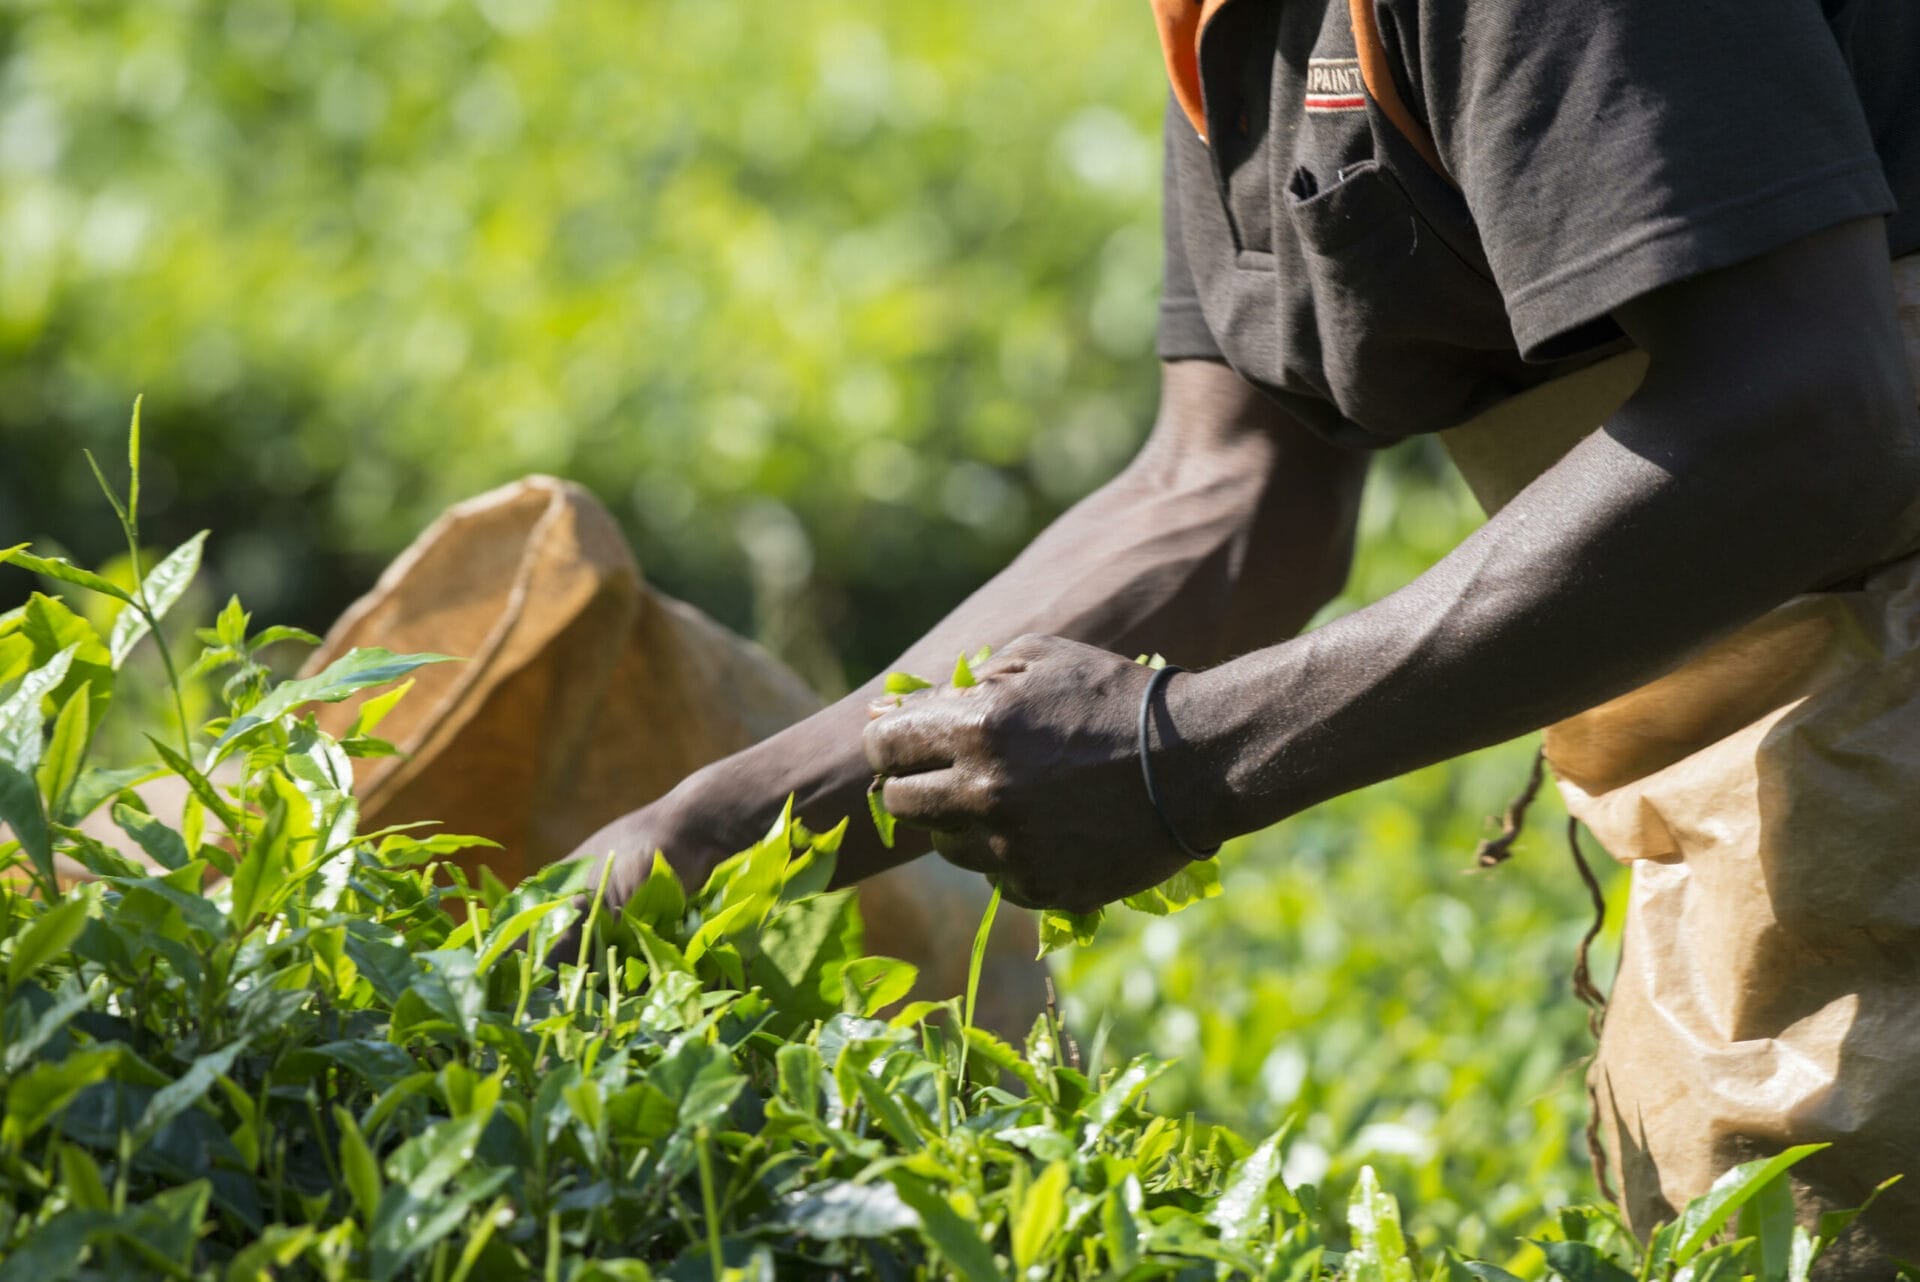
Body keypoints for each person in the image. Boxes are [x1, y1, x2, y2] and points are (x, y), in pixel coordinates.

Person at [570, 0, 1920, 1264]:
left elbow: (1801, 415)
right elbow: (1227, 494)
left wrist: (1192, 759)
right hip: (1780, 693)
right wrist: (702, 837)